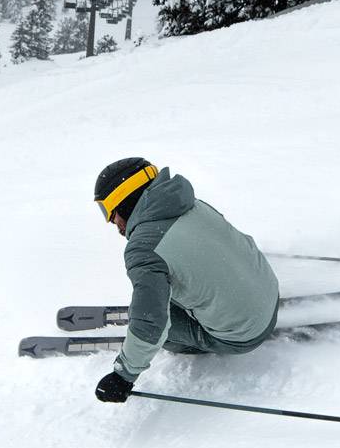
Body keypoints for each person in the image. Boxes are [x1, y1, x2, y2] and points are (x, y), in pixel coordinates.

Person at [91, 157, 280, 404]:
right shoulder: (189, 203)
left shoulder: (144, 247)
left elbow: (151, 324)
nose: (112, 222)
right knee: (172, 279)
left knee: (159, 323)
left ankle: (211, 332)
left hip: (241, 336)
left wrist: (123, 376)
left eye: (108, 211)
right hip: (270, 290)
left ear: (124, 201)